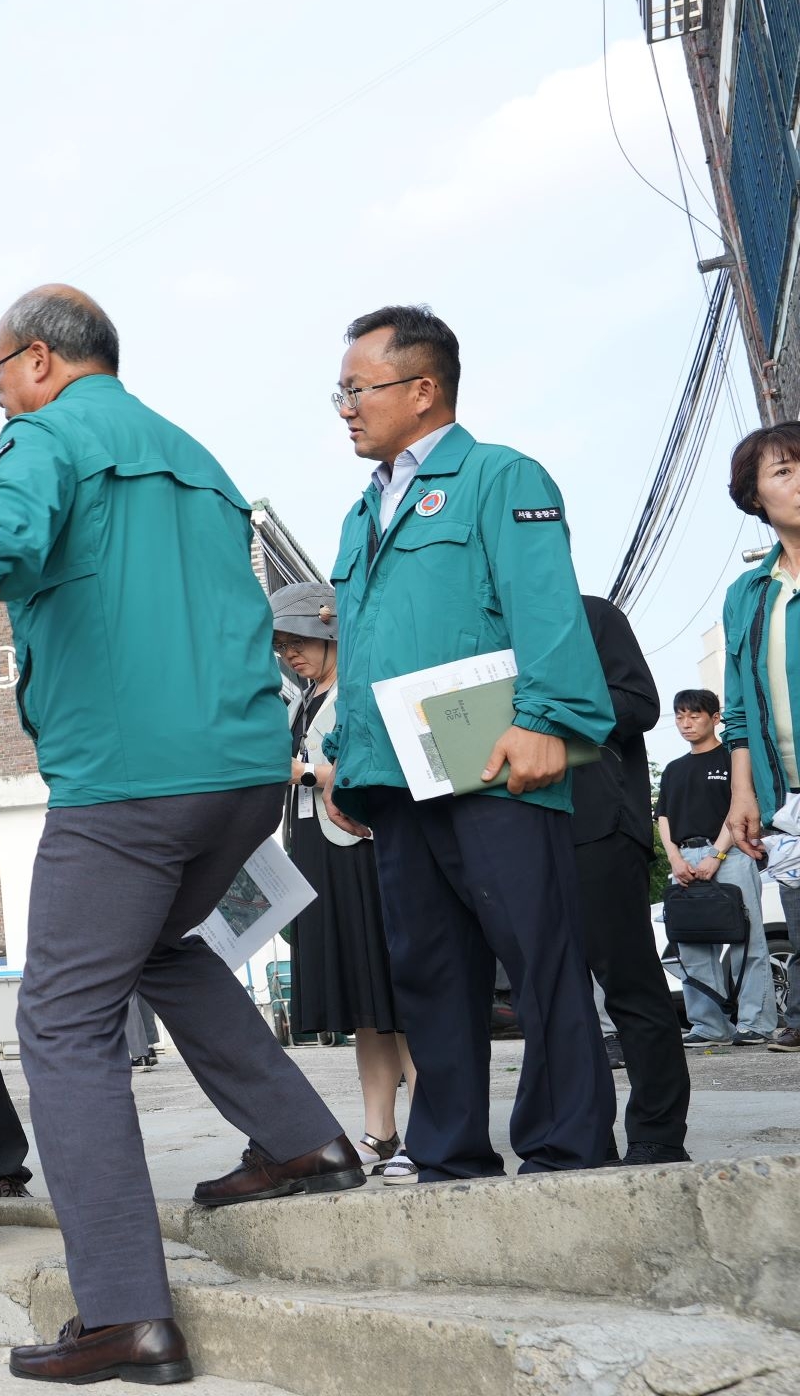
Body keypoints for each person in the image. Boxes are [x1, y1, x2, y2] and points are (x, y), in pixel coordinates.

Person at [0, 286, 355, 1387]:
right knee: (156, 948)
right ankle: (302, 1138)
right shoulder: (194, 455)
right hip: (238, 769)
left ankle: (126, 1313)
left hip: (131, 782)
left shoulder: (45, 434)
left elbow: (10, 522)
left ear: (36, 363)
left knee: (63, 1019)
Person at [319, 304, 617, 1179]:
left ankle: (567, 1144)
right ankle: (448, 1151)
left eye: (356, 388)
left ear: (423, 389)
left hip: (494, 760)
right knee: (429, 973)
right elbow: (367, 646)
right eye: (337, 391)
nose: (344, 406)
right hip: (397, 777)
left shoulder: (499, 476)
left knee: (539, 957)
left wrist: (547, 720)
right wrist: (347, 753)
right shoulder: (358, 514)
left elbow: (545, 606)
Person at [268, 581, 417, 1185]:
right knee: (363, 1006)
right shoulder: (303, 697)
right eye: (282, 645)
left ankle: (433, 1126)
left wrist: (304, 770)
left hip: (361, 847)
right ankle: (379, 1129)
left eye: (299, 640)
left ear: (331, 632)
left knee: (397, 997)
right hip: (314, 851)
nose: (290, 654)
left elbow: (380, 755)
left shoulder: (362, 685)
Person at [570, 597, 694, 1162]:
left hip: (598, 824)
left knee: (629, 983)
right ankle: (577, 1133)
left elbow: (639, 704)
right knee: (553, 995)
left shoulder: (592, 615)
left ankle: (657, 1132)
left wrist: (545, 703)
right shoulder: (482, 625)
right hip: (517, 832)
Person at [714, 419, 800, 1052]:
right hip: (790, 799)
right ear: (755, 497)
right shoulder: (748, 594)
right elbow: (738, 709)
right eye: (784, 471)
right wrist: (744, 796)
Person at [662, 688, 768, 1046]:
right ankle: (709, 1026)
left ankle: (756, 1023)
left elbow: (738, 810)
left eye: (694, 715)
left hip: (731, 853)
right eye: (679, 716)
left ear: (714, 717)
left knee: (747, 941)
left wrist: (718, 854)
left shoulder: (733, 761)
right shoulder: (674, 769)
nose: (686, 723)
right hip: (684, 860)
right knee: (691, 945)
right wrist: (675, 859)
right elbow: (662, 817)